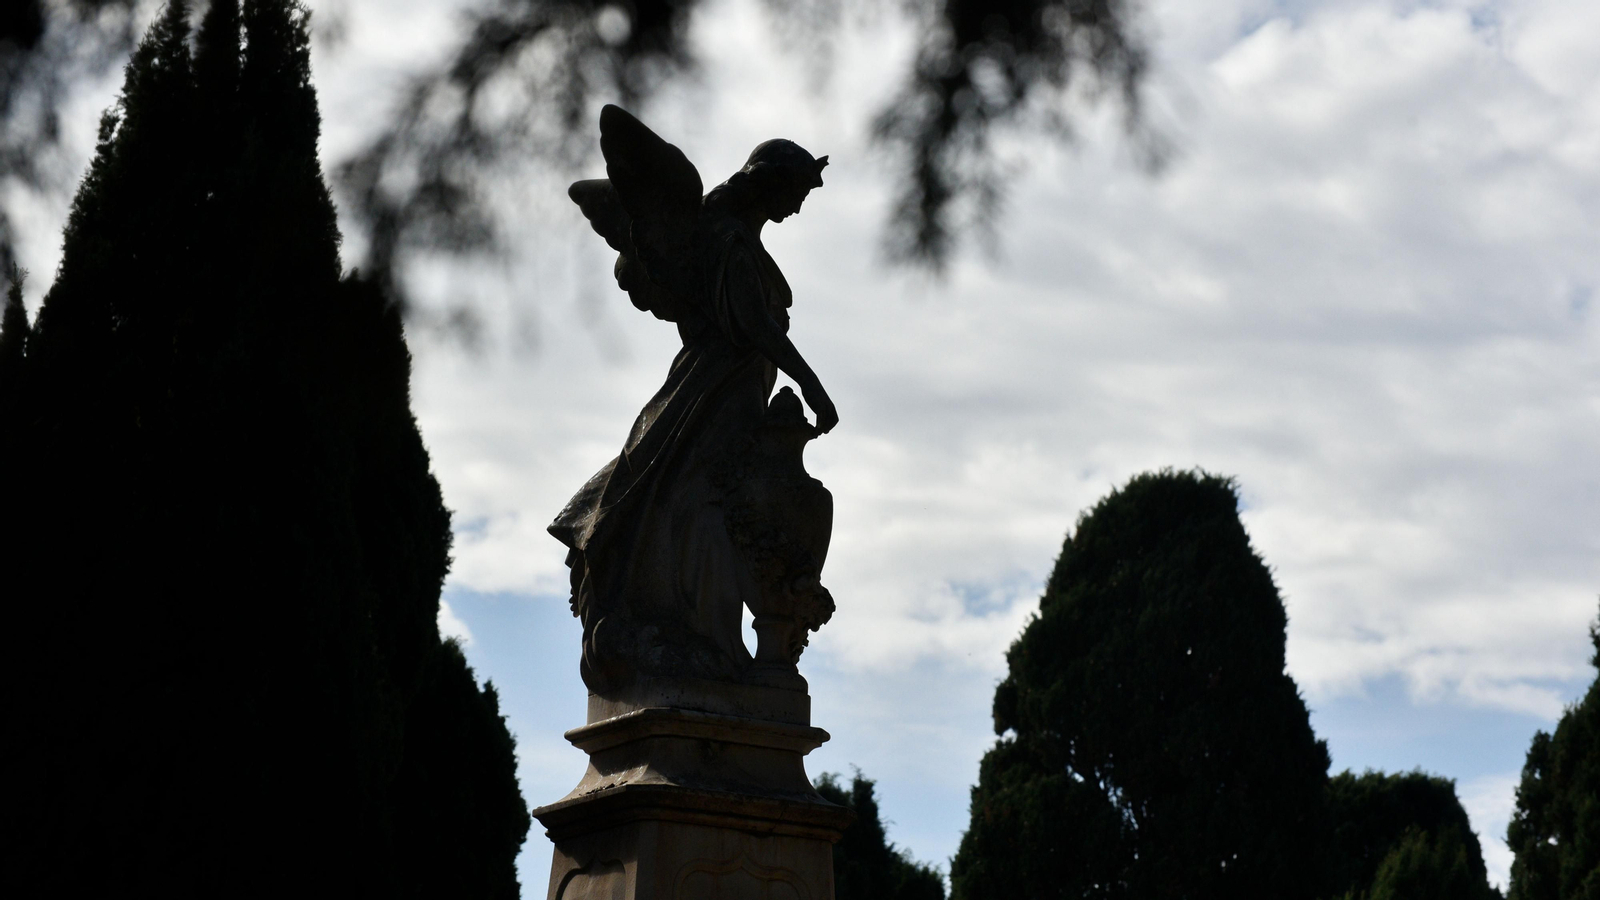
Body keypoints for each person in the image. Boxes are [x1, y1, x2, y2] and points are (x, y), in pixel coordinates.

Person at [551, 132, 836, 692]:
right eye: (797, 191)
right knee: (690, 499)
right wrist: (812, 384)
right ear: (771, 183)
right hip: (715, 391)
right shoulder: (726, 240)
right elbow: (754, 327)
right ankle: (696, 635)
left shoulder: (736, 238)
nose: (799, 206)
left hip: (735, 391)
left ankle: (696, 633)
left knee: (691, 498)